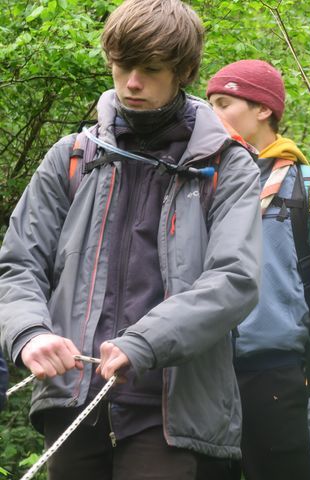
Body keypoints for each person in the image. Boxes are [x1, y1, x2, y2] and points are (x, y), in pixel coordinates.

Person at [0, 1, 262, 479]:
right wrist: (27, 333)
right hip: (73, 399)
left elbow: (235, 278)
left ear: (183, 71)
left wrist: (144, 342)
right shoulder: (74, 156)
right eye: (122, 66)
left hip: (173, 412)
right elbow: (18, 264)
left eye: (150, 69)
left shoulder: (227, 165)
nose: (132, 82)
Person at [206, 60, 310, 480]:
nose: (211, 113)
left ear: (263, 110)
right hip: (199, 374)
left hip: (276, 374)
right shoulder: (200, 181)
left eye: (224, 102)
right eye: (209, 104)